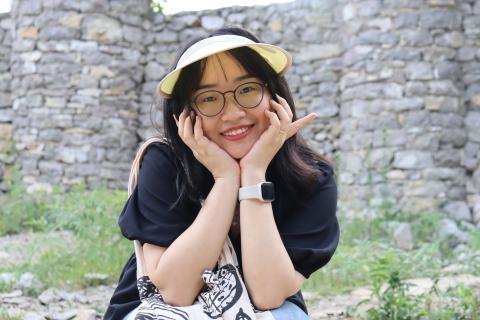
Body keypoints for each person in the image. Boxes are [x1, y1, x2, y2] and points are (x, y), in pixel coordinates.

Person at [103, 27, 339, 320]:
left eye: (248, 89)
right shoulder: (164, 162)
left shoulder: (312, 179)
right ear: (186, 113)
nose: (232, 112)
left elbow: (267, 295)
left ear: (274, 95)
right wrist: (226, 180)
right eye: (209, 98)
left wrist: (253, 174)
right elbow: (176, 292)